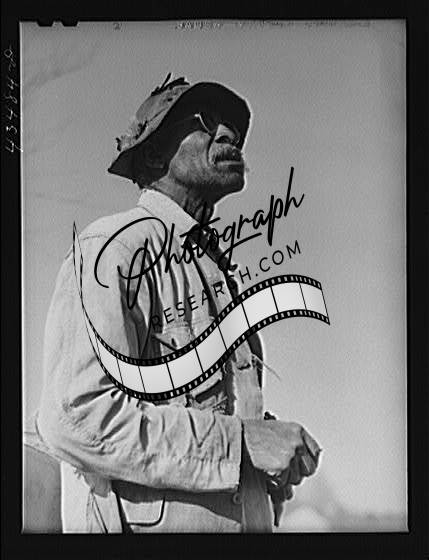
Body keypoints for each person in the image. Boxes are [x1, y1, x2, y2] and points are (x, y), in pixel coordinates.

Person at [36, 74, 321, 533]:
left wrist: (267, 463)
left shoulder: (217, 272)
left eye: (235, 129)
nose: (228, 135)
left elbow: (213, 424)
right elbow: (77, 416)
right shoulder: (114, 250)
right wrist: (242, 443)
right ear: (153, 154)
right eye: (205, 121)